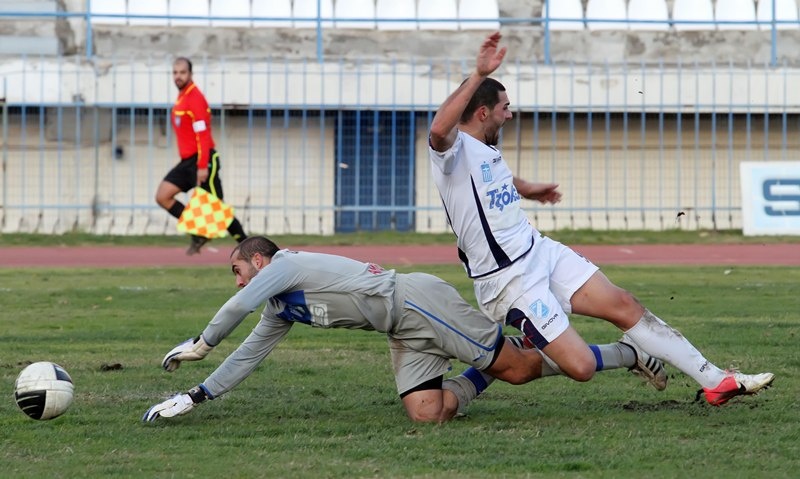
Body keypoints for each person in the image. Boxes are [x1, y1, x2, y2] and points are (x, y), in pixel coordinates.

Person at [427, 31, 774, 406]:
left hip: (538, 251)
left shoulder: (485, 149)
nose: (510, 114)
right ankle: (624, 354)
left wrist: (530, 189)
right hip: (508, 281)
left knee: (624, 304)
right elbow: (437, 130)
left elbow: (495, 180)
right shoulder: (451, 149)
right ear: (483, 112)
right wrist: (478, 74)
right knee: (579, 366)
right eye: (504, 107)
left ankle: (716, 380)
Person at [142, 236, 666, 424]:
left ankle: (626, 353)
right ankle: (493, 355)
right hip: (403, 330)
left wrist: (202, 343)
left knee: (522, 370)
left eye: (237, 269)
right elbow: (251, 354)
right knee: (427, 414)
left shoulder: (285, 264)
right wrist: (199, 394)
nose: (237, 279)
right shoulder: (281, 305)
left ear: (258, 261)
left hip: (417, 303)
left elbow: (235, 308)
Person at [155, 56, 248, 256]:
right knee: (163, 196)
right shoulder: (182, 97)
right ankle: (199, 232)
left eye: (182, 72)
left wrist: (203, 165)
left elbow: (203, 133)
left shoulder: (195, 97)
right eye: (175, 72)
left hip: (202, 160)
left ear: (190, 74)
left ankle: (249, 247)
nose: (178, 76)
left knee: (218, 211)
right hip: (187, 162)